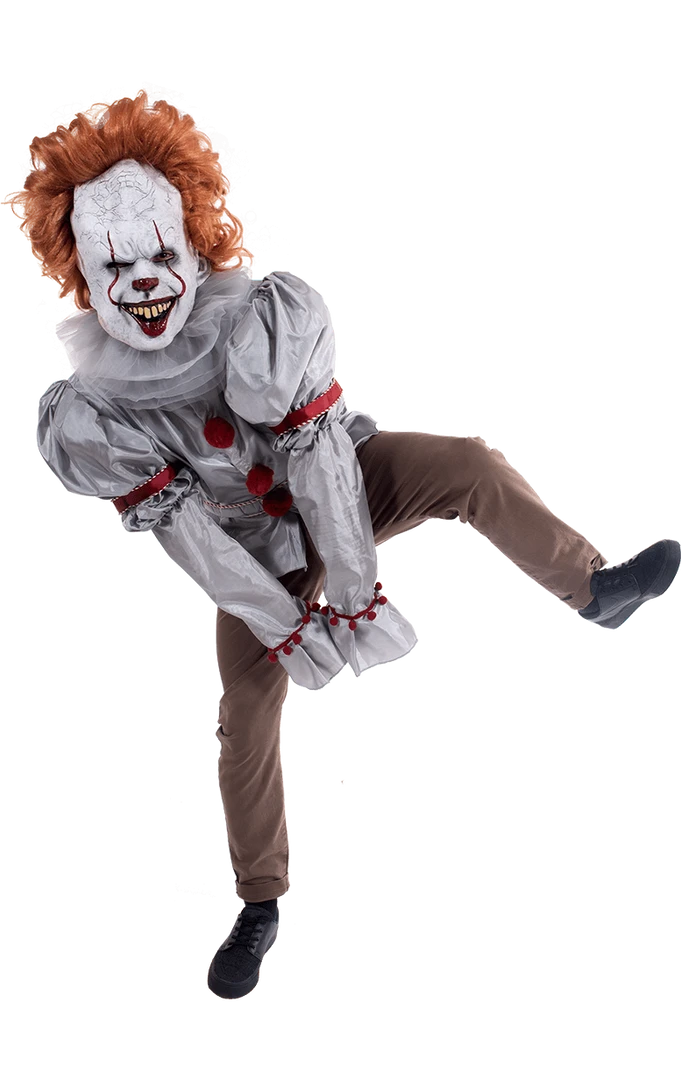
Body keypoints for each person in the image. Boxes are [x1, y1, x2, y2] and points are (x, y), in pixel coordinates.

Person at [10, 87, 680, 1002]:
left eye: (160, 253)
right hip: (248, 553)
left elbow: (319, 456)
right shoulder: (95, 411)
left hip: (343, 486)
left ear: (192, 240)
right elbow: (191, 534)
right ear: (85, 271)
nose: (146, 284)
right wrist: (285, 621)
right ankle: (258, 903)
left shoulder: (260, 317)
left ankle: (594, 591)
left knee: (465, 464)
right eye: (116, 263)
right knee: (245, 723)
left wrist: (357, 597)